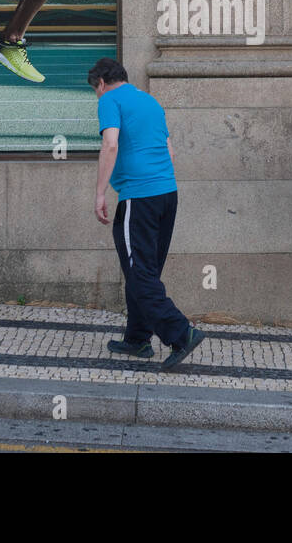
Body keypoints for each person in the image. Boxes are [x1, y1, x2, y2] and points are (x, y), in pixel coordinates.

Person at [90, 57, 205, 371]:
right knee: (144, 269)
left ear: (100, 83)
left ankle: (180, 333)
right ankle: (138, 338)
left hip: (138, 197)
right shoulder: (150, 101)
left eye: (95, 90)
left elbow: (110, 144)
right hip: (167, 193)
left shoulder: (110, 100)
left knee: (138, 272)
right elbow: (169, 150)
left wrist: (101, 193)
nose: (98, 96)